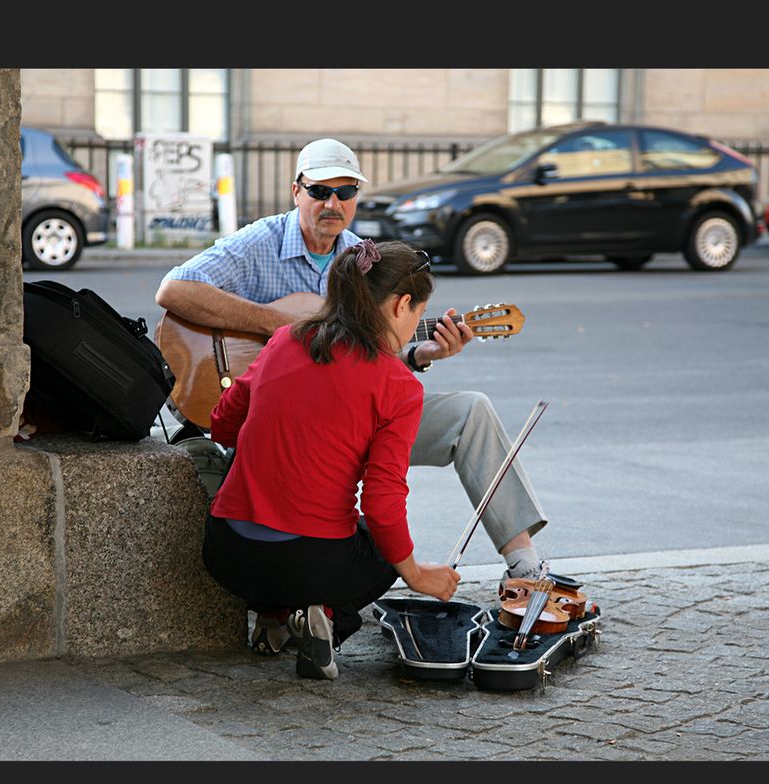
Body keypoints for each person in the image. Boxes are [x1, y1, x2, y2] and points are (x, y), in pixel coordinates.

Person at [156, 138, 556, 652]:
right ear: (296, 191)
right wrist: (277, 322)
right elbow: (174, 291)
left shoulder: (364, 259)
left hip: (344, 422)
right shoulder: (259, 244)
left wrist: (421, 355)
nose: (333, 204)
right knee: (361, 524)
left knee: (471, 410)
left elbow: (373, 367)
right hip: (287, 423)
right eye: (320, 190)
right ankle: (304, 604)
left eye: (346, 192)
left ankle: (523, 562)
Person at [202, 239, 460, 680]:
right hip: (311, 564)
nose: (418, 320)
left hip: (227, 554)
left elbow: (223, 425)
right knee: (383, 550)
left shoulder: (285, 339)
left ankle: (274, 618)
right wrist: (416, 575)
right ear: (401, 306)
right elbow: (382, 503)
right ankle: (323, 618)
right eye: (419, 311)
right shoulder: (399, 385)